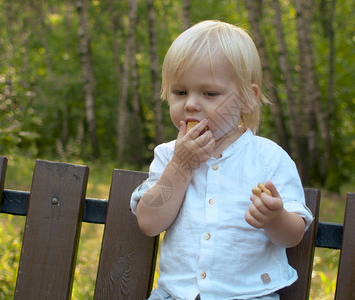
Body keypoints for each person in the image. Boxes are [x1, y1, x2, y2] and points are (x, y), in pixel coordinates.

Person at [131, 20, 313, 300]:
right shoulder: (168, 155)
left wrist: (274, 218)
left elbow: (293, 236)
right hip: (176, 294)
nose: (190, 103)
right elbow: (149, 222)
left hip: (250, 295)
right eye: (180, 92)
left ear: (246, 99)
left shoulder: (267, 158)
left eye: (210, 93)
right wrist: (181, 166)